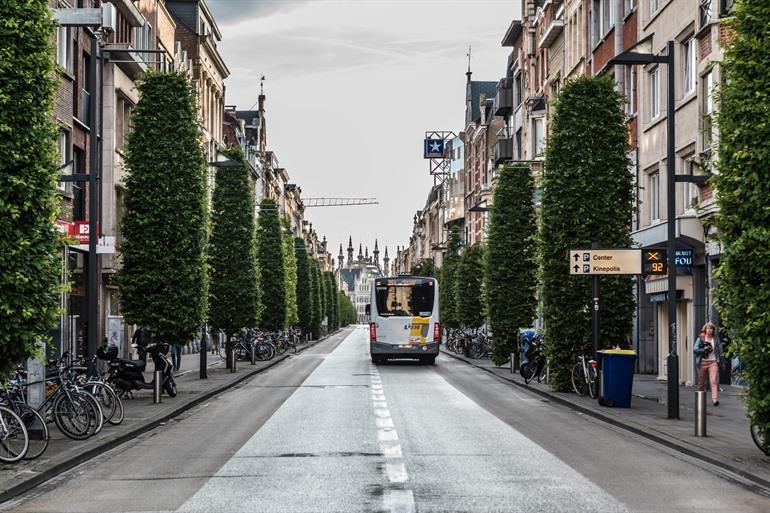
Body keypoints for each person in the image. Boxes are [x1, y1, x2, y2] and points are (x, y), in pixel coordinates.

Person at [694, 322, 725, 406]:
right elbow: (695, 349)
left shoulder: (716, 338)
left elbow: (720, 350)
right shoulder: (701, 338)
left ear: (713, 330)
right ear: (705, 329)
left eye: (711, 328)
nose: (709, 330)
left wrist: (721, 360)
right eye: (707, 328)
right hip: (702, 362)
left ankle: (715, 400)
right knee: (701, 383)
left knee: (714, 380)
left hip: (713, 362)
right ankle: (700, 399)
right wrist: (704, 349)